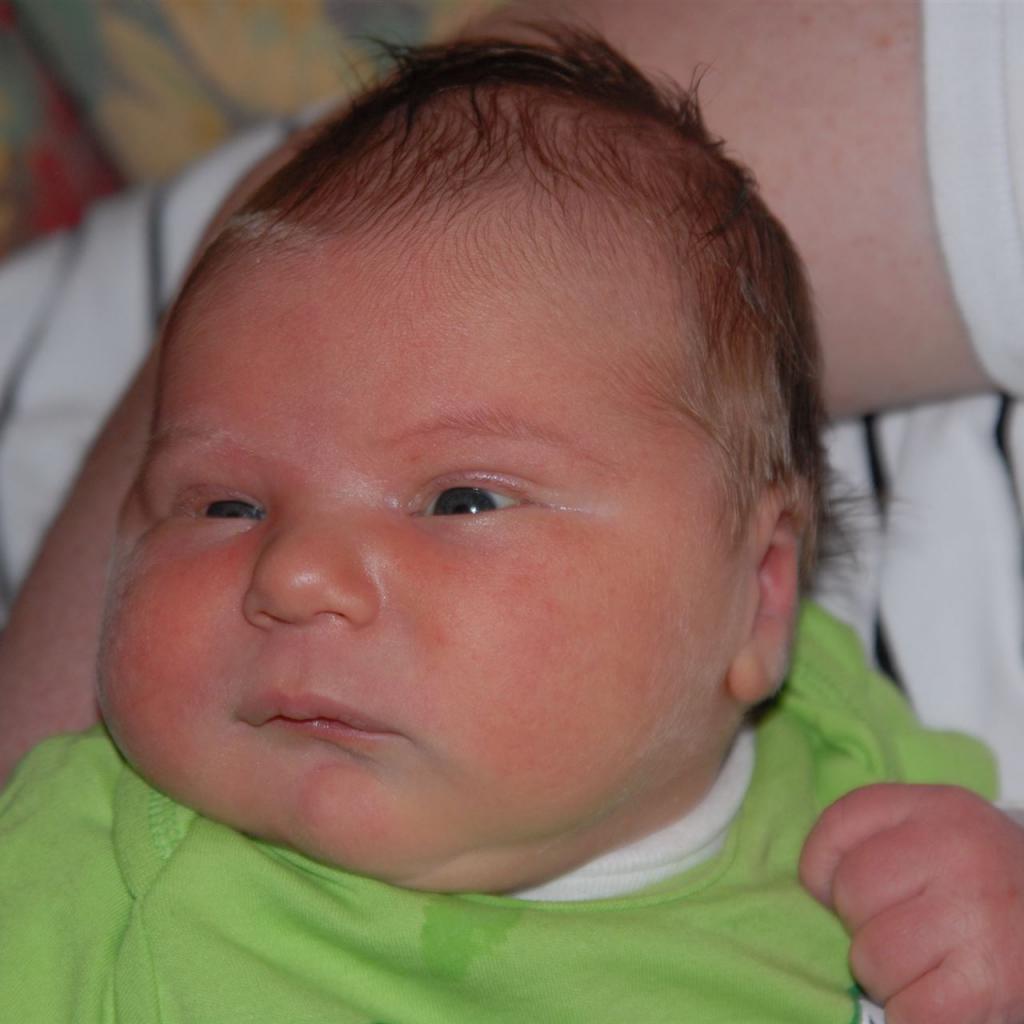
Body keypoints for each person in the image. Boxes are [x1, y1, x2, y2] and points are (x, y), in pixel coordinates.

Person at [1, 30, 1020, 1024]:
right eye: (226, 505)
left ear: (757, 595)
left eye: (462, 501)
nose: (296, 572)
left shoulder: (856, 778)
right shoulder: (84, 869)